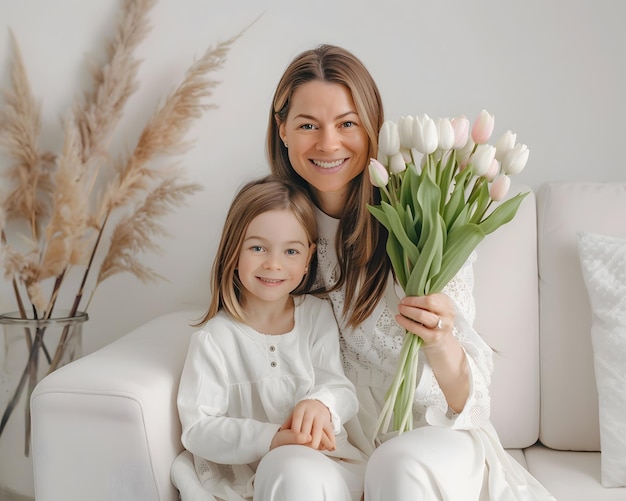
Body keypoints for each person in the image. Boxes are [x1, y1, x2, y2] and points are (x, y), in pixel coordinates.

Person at [261, 44, 556, 500]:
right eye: (307, 125)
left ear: (372, 128)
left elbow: (466, 402)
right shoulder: (271, 225)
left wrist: (440, 339)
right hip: (340, 432)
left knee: (397, 465)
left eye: (346, 124)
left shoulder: (421, 217)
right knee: (287, 469)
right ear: (282, 130)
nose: (327, 143)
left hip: (433, 433)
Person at [171, 176, 366, 501]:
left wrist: (321, 403)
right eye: (258, 247)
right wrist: (272, 438)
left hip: (324, 463)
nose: (273, 264)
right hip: (251, 478)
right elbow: (198, 428)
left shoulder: (316, 317)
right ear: (233, 251)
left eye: (291, 250)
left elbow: (340, 388)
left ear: (308, 260)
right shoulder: (215, 338)